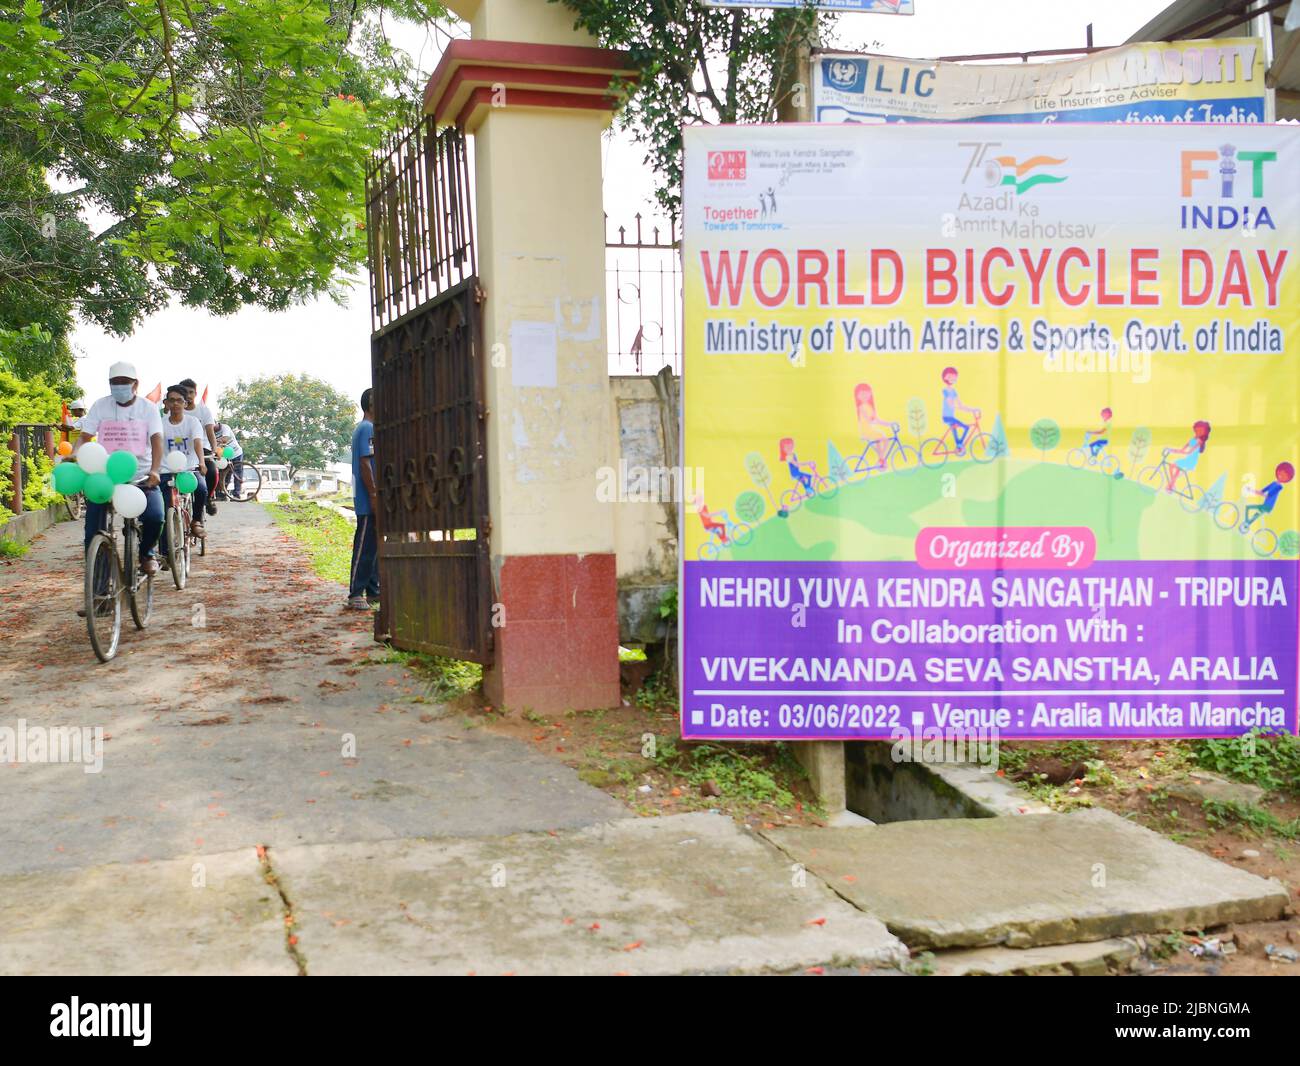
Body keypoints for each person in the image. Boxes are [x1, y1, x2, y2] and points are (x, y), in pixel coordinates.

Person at [74, 362, 164, 601]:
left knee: (155, 517)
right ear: (109, 385)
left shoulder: (148, 409)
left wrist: (155, 469)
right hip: (106, 478)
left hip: (142, 476)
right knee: (94, 532)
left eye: (125, 382)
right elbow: (84, 437)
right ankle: (100, 593)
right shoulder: (100, 406)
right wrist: (74, 454)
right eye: (115, 383)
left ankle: (146, 553)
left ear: (136, 384)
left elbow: (157, 440)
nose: (120, 387)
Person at [157, 386, 207, 561]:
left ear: (185, 403)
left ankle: (196, 521)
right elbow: (155, 446)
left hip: (189, 468)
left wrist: (201, 462)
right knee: (164, 510)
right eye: (172, 400)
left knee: (201, 489)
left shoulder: (192, 422)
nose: (176, 403)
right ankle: (165, 553)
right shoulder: (160, 423)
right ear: (166, 403)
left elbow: (198, 442)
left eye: (180, 400)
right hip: (166, 471)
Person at [347, 388, 380, 610]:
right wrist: (374, 494)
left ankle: (373, 590)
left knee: (372, 548)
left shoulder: (369, 428)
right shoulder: (367, 428)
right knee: (364, 547)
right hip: (368, 499)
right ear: (371, 404)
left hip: (370, 497)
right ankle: (356, 593)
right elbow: (365, 463)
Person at [178, 378, 219, 515]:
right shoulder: (176, 411)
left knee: (211, 470)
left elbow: (210, 432)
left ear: (196, 394)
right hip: (181, 450)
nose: (188, 396)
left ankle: (208, 498)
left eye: (191, 392)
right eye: (184, 392)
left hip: (202, 449)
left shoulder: (204, 411)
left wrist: (214, 449)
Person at [853, 383, 897, 471]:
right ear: (857, 396)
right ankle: (882, 458)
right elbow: (870, 420)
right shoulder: (861, 407)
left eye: (867, 393)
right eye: (862, 394)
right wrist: (874, 421)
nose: (865, 396)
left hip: (871, 429)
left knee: (879, 440)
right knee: (885, 439)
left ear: (870, 394)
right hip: (866, 430)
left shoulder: (870, 407)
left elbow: (877, 420)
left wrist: (889, 423)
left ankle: (880, 460)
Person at [940, 366, 980, 455]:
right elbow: (950, 404)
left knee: (956, 429)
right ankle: (959, 445)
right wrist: (958, 407)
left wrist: (972, 409)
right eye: (950, 377)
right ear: (945, 377)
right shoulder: (945, 391)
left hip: (951, 417)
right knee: (966, 427)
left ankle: (958, 448)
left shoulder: (954, 391)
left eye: (954, 377)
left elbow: (961, 405)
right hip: (947, 417)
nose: (953, 379)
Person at [1243, 461, 1294, 531]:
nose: (1281, 476)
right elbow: (1262, 491)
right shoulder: (1273, 483)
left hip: (1267, 507)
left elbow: (1267, 495)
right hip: (1265, 505)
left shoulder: (1279, 487)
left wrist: (1262, 494)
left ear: (1287, 479)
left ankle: (1246, 524)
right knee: (1256, 514)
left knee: (1248, 507)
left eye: (1284, 476)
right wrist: (1251, 490)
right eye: (1280, 474)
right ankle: (1246, 525)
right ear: (1278, 472)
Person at [1164, 420, 1210, 493]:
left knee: (1172, 466)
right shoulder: (1193, 439)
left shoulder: (1199, 441)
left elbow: (1189, 451)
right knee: (1176, 472)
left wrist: (1181, 452)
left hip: (1190, 461)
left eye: (1201, 430)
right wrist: (1171, 450)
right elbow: (1182, 449)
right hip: (1187, 459)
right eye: (1197, 430)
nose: (1198, 431)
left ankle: (1171, 485)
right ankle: (1171, 486)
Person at [213, 421, 244, 498]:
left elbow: (225, 439)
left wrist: (214, 442)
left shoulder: (225, 427)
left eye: (212, 425)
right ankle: (222, 494)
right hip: (225, 456)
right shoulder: (210, 431)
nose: (212, 427)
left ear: (216, 423)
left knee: (237, 474)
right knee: (224, 476)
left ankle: (236, 494)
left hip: (236, 453)